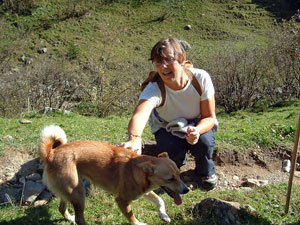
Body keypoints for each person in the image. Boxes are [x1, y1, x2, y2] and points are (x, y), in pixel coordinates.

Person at [119, 37, 218, 191]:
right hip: (167, 126)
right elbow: (140, 114)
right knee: (170, 147)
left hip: (197, 123)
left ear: (182, 59)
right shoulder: (154, 88)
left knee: (204, 142)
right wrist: (135, 138)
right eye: (158, 62)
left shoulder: (200, 78)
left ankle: (205, 173)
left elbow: (209, 117)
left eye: (169, 60)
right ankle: (173, 171)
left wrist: (197, 130)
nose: (163, 66)